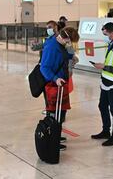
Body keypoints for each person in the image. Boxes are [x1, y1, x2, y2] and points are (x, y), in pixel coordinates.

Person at [40, 21, 71, 151]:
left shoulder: (60, 44)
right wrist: (55, 78)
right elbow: (44, 67)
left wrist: (71, 56)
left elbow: (65, 56)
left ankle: (56, 135)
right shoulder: (51, 46)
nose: (69, 44)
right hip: (53, 84)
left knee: (60, 113)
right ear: (64, 38)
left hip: (60, 84)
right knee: (53, 113)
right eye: (69, 42)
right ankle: (52, 139)